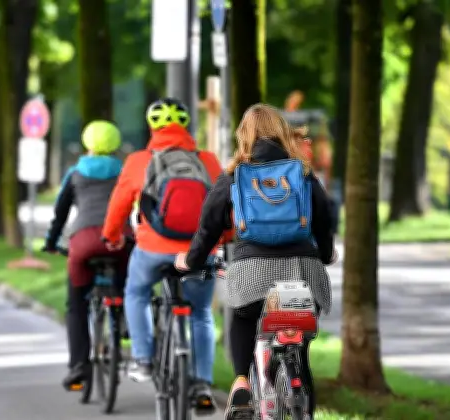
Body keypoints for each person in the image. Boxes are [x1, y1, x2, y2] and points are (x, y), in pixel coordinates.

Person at [173, 103, 337, 419]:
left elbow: (208, 226)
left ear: (244, 136)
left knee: (244, 315)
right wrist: (326, 252)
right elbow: (325, 219)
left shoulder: (235, 175)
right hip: (303, 270)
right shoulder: (302, 172)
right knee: (299, 348)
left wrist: (192, 260)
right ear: (282, 132)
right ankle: (297, 383)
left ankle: (240, 382)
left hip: (252, 271)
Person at [102, 97, 227, 414]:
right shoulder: (208, 161)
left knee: (137, 292)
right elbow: (226, 206)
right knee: (199, 312)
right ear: (186, 126)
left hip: (154, 249)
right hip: (199, 252)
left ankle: (143, 360)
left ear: (152, 126)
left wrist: (112, 236)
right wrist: (222, 241)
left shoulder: (139, 160)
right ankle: (201, 382)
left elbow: (118, 204)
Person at [42, 120, 132, 391]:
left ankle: (79, 366)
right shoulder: (125, 172)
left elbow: (60, 213)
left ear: (87, 143)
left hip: (83, 241)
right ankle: (126, 321)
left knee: (76, 304)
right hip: (119, 241)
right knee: (132, 284)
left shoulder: (75, 173)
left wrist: (51, 242)